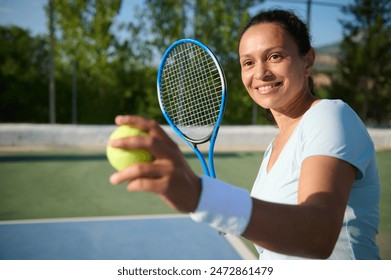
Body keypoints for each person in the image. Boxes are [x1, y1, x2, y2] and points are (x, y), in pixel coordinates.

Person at [108, 9, 381, 260]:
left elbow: (317, 236)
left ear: (307, 61)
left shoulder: (330, 116)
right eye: (248, 62)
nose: (260, 72)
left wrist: (201, 195)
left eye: (275, 56)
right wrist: (220, 210)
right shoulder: (273, 148)